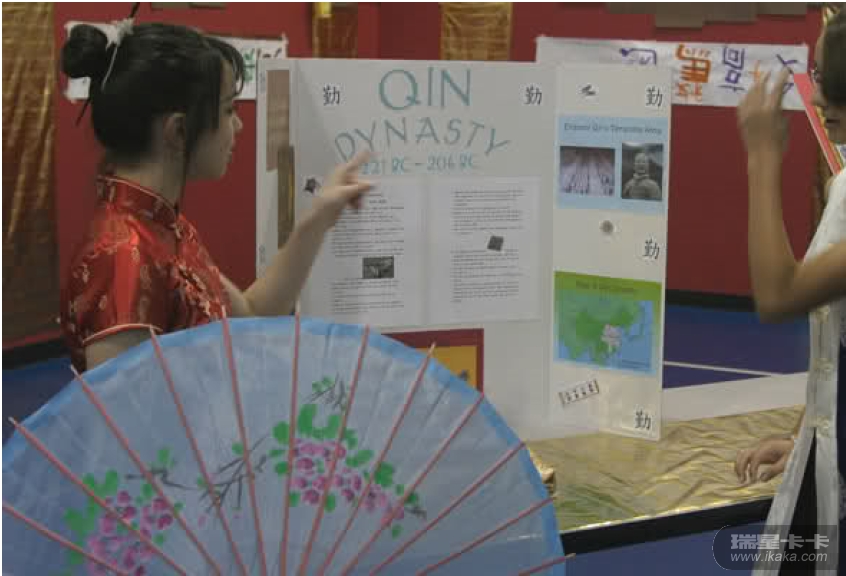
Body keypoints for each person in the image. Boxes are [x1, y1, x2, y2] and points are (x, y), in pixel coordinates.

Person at [59, 21, 372, 372]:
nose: (238, 126)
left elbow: (251, 314)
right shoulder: (122, 256)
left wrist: (319, 217)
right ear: (179, 130)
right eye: (227, 110)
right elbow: (124, 405)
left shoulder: (163, 226)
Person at [734, 10, 846, 574]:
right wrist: (809, 436)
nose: (816, 95)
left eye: (826, 77)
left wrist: (762, 154)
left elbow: (778, 294)